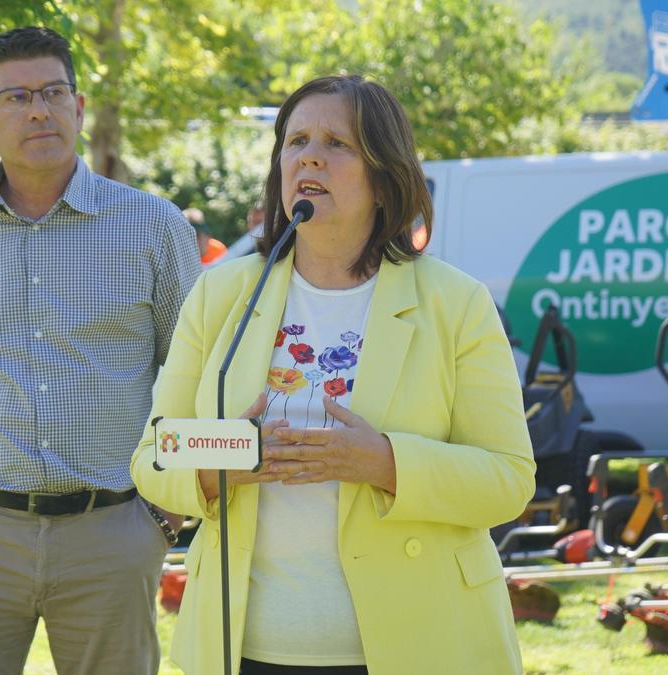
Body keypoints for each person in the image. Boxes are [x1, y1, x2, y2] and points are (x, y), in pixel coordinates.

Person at [131, 75, 535, 674]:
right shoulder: (220, 293)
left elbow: (508, 479)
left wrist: (385, 463)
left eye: (337, 144)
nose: (309, 157)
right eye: (296, 141)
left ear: (385, 177)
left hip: (418, 648)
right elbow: (155, 457)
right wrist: (231, 458)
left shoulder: (456, 302)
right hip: (242, 650)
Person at [0, 26, 202, 675]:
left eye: (53, 92)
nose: (39, 110)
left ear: (79, 106)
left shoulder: (154, 227)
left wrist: (164, 518)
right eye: (16, 97)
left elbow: (195, 378)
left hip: (114, 534)